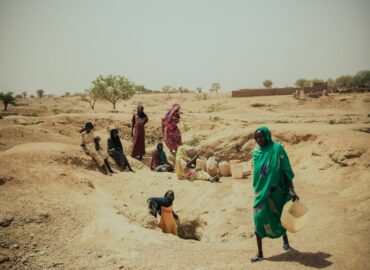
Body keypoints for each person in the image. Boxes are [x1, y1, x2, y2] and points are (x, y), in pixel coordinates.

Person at [250, 126, 300, 263]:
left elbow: (285, 169)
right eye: (256, 137)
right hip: (260, 192)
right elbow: (256, 172)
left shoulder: (277, 149)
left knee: (278, 215)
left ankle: (285, 240)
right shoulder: (256, 152)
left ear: (267, 136)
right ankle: (260, 253)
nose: (259, 139)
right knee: (258, 219)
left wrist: (291, 188)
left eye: (261, 136)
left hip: (276, 190)